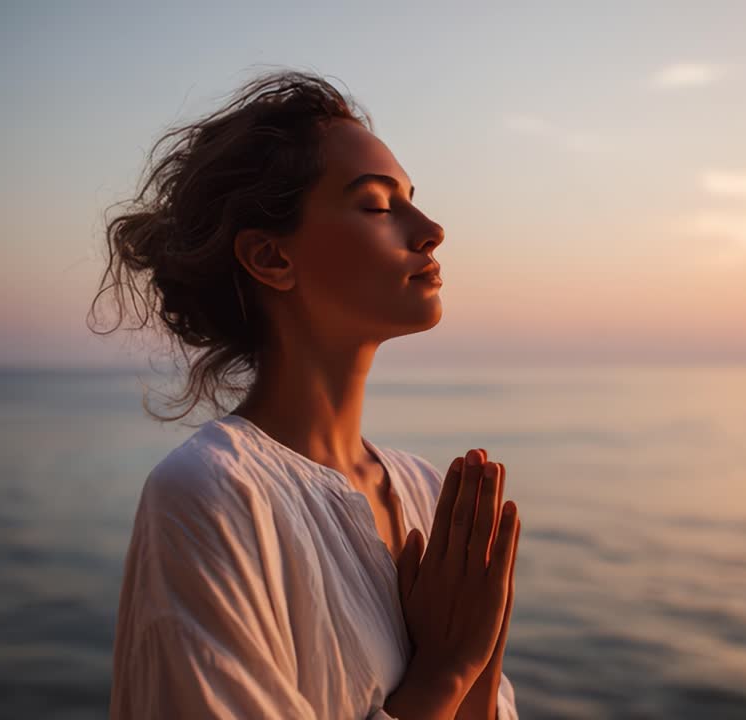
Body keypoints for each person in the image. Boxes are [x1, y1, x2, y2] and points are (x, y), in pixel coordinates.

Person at [89, 68, 522, 719]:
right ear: (272, 258)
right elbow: (447, 677)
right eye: (378, 205)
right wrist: (443, 671)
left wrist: (480, 668)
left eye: (412, 198)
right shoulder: (212, 496)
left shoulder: (430, 493)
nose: (430, 228)